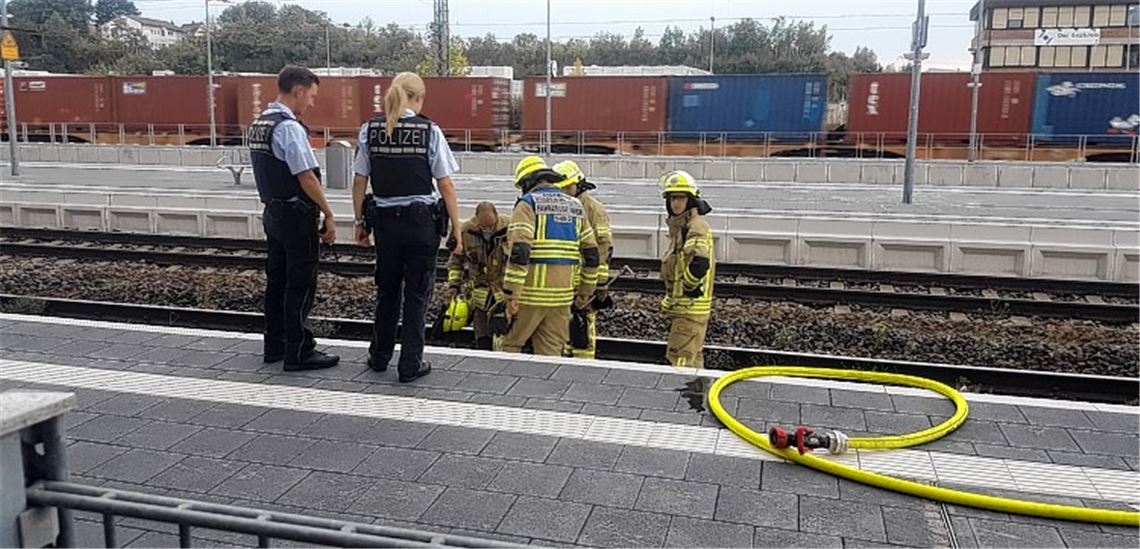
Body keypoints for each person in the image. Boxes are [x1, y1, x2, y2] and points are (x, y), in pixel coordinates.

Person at [352, 72, 462, 383]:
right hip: (420, 225)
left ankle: (379, 356)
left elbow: (360, 180)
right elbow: (446, 185)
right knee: (417, 294)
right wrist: (457, 228)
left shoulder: (369, 130)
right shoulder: (429, 131)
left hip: (385, 225)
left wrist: (360, 221)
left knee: (387, 291)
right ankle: (410, 364)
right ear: (419, 98)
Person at [248, 64, 339, 371]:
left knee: (277, 281)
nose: (311, 103)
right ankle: (299, 350)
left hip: (272, 212)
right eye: (311, 96)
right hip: (296, 215)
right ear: (298, 90)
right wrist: (328, 213)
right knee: (300, 283)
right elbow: (306, 177)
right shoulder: (288, 128)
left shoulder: (260, 122)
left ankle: (274, 345)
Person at [501, 156, 599, 356]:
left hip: (530, 296)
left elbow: (520, 251)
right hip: (562, 298)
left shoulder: (527, 204)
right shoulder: (576, 206)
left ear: (527, 182)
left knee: (509, 347)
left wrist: (512, 294)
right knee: (551, 355)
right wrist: (586, 291)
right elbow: (592, 254)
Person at [552, 160, 613, 359]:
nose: (564, 192)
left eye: (567, 187)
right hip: (564, 283)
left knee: (582, 331)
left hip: (585, 283)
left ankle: (583, 369)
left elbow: (602, 250)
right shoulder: (562, 207)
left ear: (578, 184)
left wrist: (596, 286)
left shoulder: (594, 210)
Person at [658, 170, 715, 368]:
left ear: (691, 200)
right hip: (686, 311)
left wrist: (689, 287)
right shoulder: (682, 227)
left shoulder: (695, 226)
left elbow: (700, 262)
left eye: (681, 198)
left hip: (689, 311)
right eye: (673, 198)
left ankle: (683, 400)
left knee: (680, 363)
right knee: (692, 362)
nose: (676, 203)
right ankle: (696, 397)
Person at [444, 201, 511, 350]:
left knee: (505, 327)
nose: (487, 230)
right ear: (476, 219)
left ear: (497, 216)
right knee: (481, 323)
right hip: (481, 289)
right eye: (484, 227)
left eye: (491, 226)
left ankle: (504, 352)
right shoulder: (466, 231)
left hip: (504, 288)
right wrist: (454, 285)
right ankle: (483, 347)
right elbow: (456, 261)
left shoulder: (510, 228)